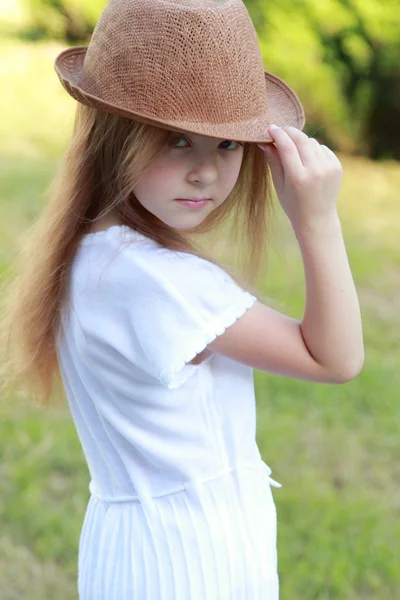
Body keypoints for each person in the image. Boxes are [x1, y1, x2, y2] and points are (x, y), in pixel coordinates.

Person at [0, 0, 364, 598]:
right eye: (175, 141)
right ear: (115, 137)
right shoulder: (158, 280)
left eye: (227, 144)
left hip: (140, 549)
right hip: (190, 562)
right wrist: (317, 220)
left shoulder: (96, 252)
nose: (206, 172)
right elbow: (336, 358)